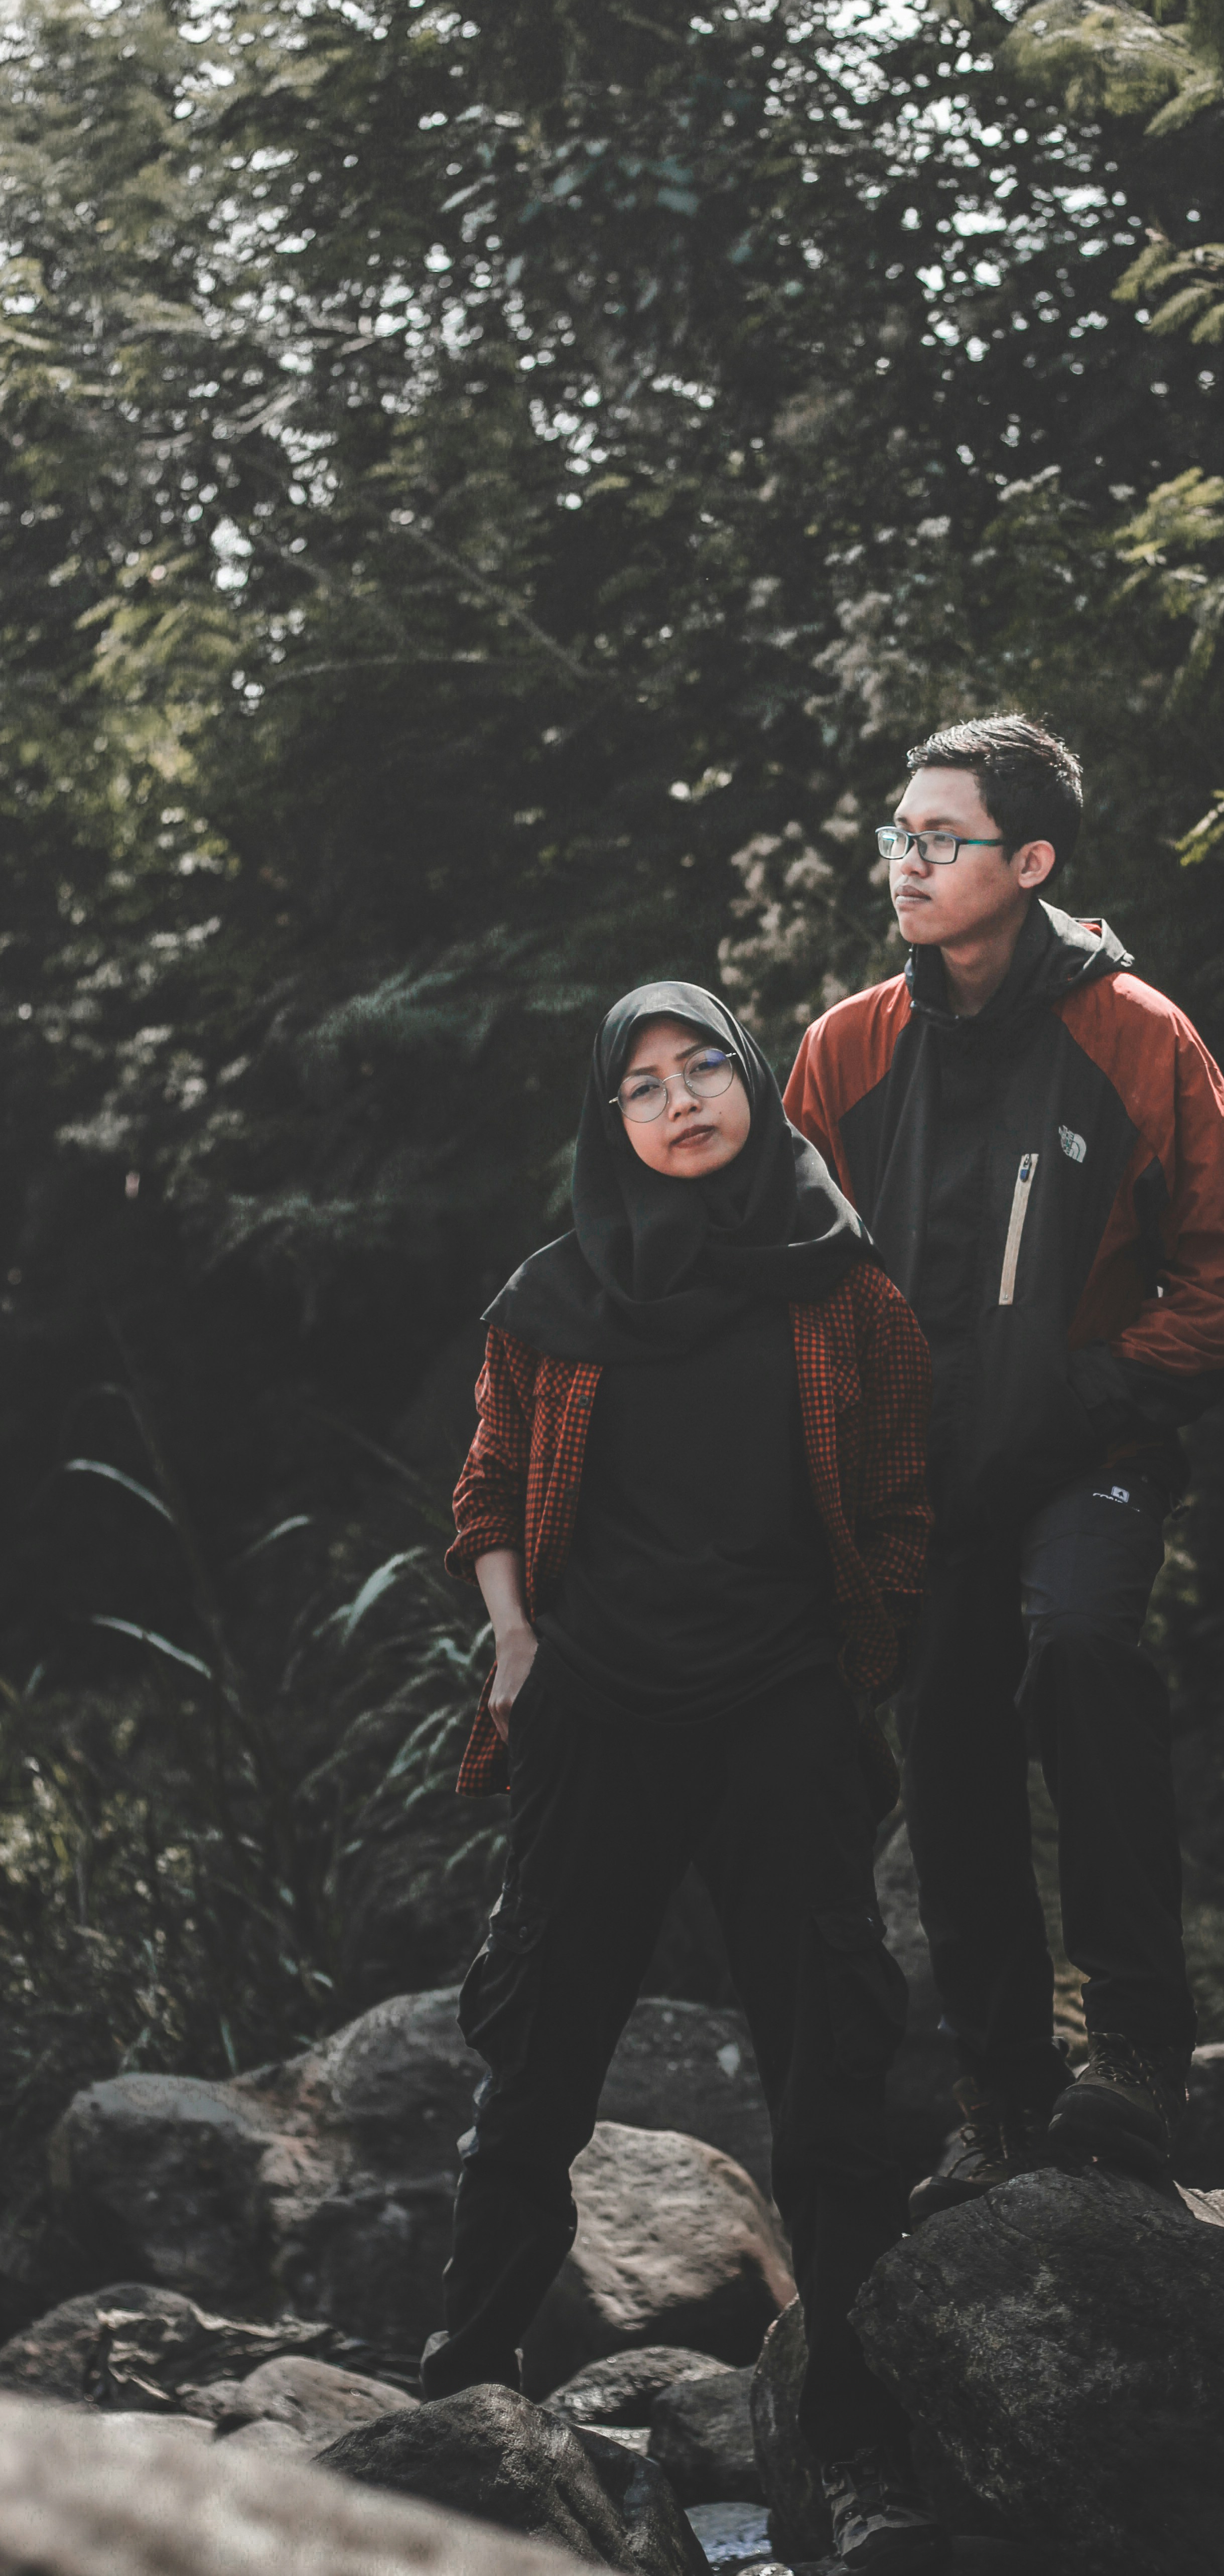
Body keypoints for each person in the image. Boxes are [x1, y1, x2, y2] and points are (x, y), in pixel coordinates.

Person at [430, 982, 947, 2575]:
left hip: (780, 1705)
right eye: (639, 1087)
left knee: (828, 2046)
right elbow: (489, 1492)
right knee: (541, 2038)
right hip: (597, 1712)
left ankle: (857, 2424)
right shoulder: (550, 1298)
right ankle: (465, 2391)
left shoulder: (843, 1288)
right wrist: (517, 1641)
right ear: (612, 1124)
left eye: (699, 1066)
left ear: (748, 1077)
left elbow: (908, 1493)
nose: (676, 1102)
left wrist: (862, 1659)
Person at [783, 716, 1224, 2216]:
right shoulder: (849, 1049)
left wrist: (1082, 1397)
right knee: (949, 1758)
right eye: (899, 838)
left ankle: (1133, 2052)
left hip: (1089, 1457)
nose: (907, 864)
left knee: (1078, 1651)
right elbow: (784, 1287)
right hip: (921, 1490)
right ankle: (1000, 2098)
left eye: (942, 841)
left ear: (1032, 862)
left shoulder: (1139, 1036)